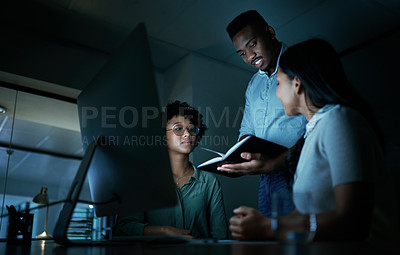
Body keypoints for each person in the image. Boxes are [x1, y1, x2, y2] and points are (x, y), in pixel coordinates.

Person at [229, 38, 399, 242]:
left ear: (297, 84)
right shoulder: (312, 135)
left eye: (279, 83)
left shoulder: (338, 119)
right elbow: (306, 215)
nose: (277, 92)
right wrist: (256, 222)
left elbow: (353, 219)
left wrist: (269, 227)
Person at [219, 10, 307, 217]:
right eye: (241, 53)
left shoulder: (301, 64)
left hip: (300, 167)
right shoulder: (253, 84)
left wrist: (282, 160)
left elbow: (318, 122)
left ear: (270, 33)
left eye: (252, 44)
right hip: (265, 177)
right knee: (271, 242)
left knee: (299, 239)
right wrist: (240, 157)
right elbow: (247, 130)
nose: (250, 56)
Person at [113, 100, 229, 239]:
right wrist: (163, 231)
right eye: (178, 128)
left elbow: (220, 236)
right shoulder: (142, 180)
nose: (187, 134)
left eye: (191, 129)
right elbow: (123, 227)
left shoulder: (210, 182)